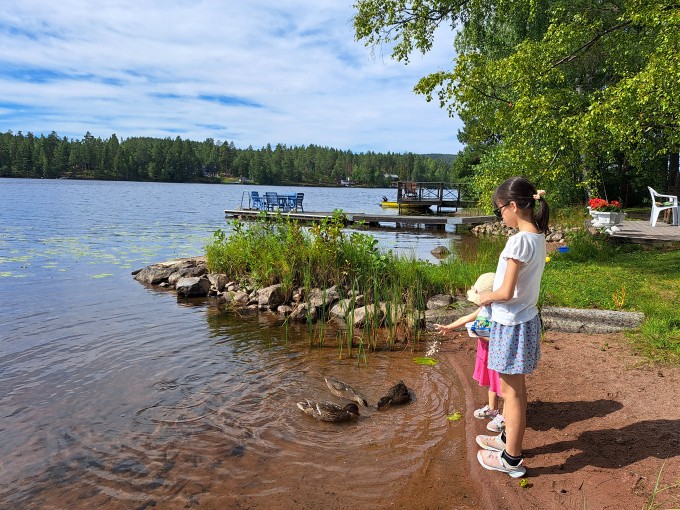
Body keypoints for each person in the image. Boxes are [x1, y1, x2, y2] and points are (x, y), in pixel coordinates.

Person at [474, 177, 549, 478]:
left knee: (512, 393)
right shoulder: (537, 236)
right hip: (525, 319)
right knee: (513, 388)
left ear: (514, 206)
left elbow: (505, 292)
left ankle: (511, 459)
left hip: (512, 323)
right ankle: (507, 439)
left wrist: (482, 297)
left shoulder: (518, 241)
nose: (499, 216)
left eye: (499, 210)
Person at [434, 273, 505, 433]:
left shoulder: (499, 312)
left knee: (500, 383)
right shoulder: (484, 308)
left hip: (496, 350)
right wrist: (449, 327)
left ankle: (504, 417)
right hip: (485, 350)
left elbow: (500, 337)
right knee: (490, 381)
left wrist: (481, 334)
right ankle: (492, 408)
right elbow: (466, 318)